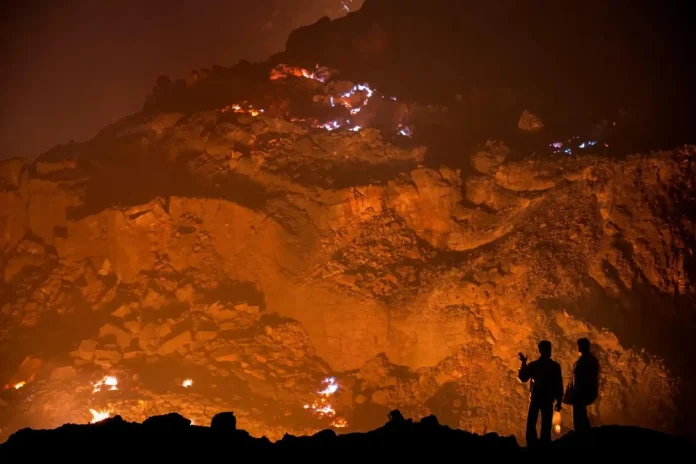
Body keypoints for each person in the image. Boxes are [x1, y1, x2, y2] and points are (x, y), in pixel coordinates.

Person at [518, 340, 564, 446]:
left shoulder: (535, 365)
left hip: (536, 398)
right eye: (548, 349)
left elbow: (522, 377)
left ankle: (532, 444)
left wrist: (523, 363)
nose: (550, 351)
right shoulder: (554, 366)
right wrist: (559, 401)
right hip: (547, 399)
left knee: (532, 423)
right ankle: (544, 445)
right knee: (545, 424)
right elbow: (558, 385)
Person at [570, 338, 600, 432]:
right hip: (581, 390)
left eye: (579, 345)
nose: (578, 347)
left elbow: (590, 375)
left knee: (579, 413)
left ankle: (581, 434)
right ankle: (583, 432)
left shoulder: (587, 360)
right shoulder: (588, 359)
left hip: (582, 391)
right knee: (581, 412)